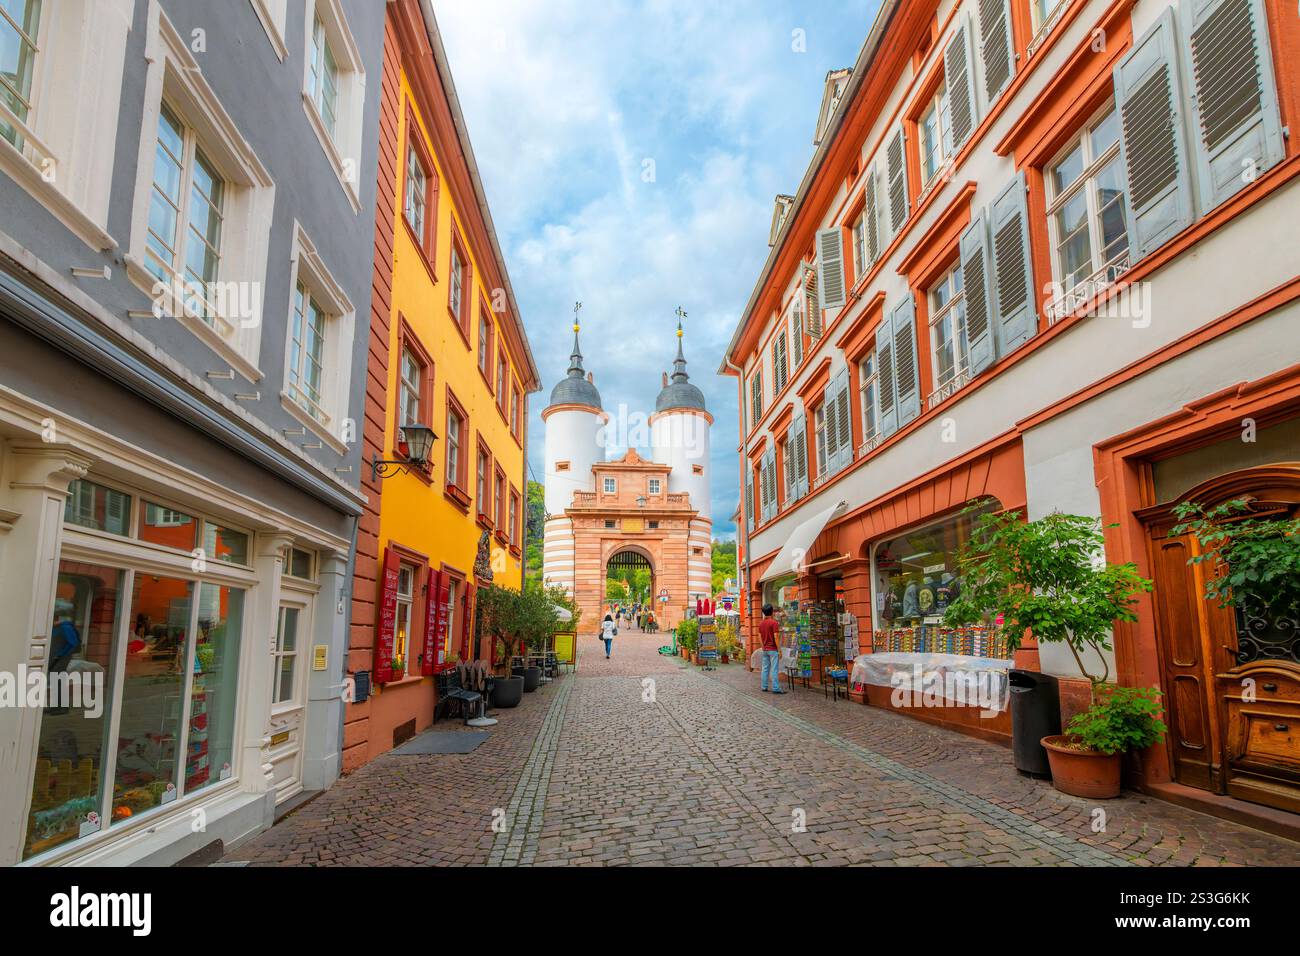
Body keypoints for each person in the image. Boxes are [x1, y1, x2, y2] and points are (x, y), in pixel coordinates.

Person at [759, 603, 783, 694]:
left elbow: (759, 636)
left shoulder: (761, 623)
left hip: (765, 649)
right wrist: (779, 650)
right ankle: (776, 688)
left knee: (765, 668)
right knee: (774, 669)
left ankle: (764, 686)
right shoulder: (774, 623)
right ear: (772, 612)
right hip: (773, 649)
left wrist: (763, 647)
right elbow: (776, 636)